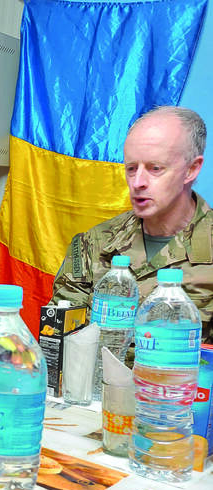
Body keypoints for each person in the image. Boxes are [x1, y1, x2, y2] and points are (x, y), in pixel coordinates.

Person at [50, 106, 213, 339]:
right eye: (131, 169)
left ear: (191, 169)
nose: (137, 183)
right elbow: (58, 338)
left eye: (155, 168)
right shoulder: (95, 243)